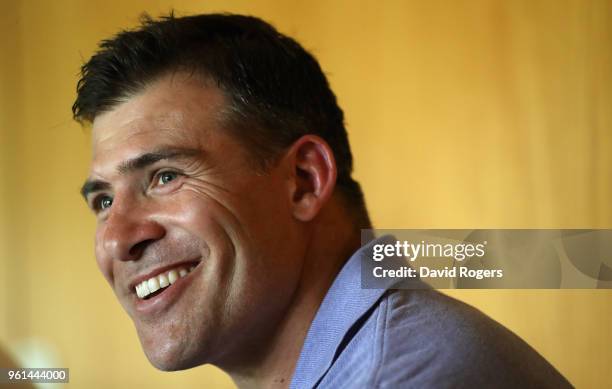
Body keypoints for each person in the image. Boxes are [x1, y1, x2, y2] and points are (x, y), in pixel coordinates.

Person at [73, 13, 572, 388]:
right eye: (103, 201)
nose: (117, 239)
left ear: (305, 181)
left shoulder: (402, 376)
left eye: (164, 176)